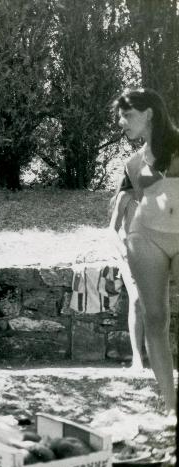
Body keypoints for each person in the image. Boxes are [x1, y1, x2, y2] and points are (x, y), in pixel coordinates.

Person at [113, 87, 179, 413]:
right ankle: (172, 407)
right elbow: (138, 201)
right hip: (145, 239)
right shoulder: (132, 163)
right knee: (155, 319)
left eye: (126, 115)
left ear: (149, 114)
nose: (120, 122)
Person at [108, 188, 145, 369]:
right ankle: (137, 358)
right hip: (127, 253)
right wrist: (124, 252)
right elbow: (111, 231)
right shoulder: (126, 197)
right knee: (137, 299)